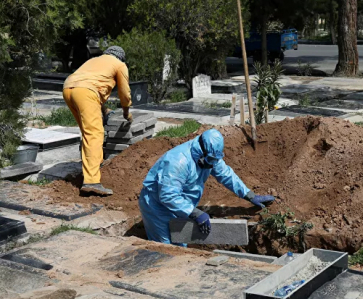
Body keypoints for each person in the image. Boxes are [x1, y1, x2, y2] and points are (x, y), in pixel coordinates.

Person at [138, 129, 275, 245]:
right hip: (157, 206)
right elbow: (168, 195)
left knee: (180, 243)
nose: (211, 165)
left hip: (181, 206)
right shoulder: (178, 162)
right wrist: (195, 213)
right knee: (167, 248)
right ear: (201, 152)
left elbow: (226, 174)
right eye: (209, 161)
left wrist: (249, 195)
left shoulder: (211, 154)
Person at [62, 46, 133, 196]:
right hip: (86, 92)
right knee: (94, 134)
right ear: (121, 57)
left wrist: (104, 110)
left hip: (68, 88)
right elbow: (124, 93)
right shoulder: (119, 65)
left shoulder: (95, 60)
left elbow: (91, 84)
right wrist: (126, 112)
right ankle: (92, 181)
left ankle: (91, 165)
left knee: (87, 133)